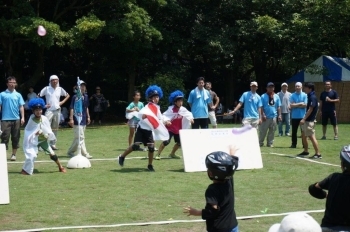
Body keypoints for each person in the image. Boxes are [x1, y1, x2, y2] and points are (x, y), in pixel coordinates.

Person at [183, 149, 239, 232]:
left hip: (218, 228)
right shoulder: (229, 180)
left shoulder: (212, 190)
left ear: (211, 173)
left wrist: (196, 212)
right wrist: (232, 157)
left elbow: (213, 210)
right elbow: (232, 167)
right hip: (232, 226)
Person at [118, 85, 169, 172]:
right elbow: (141, 114)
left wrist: (166, 121)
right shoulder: (147, 107)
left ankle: (150, 165)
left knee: (151, 147)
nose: (157, 99)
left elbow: (160, 118)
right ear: (150, 98)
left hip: (149, 130)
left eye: (157, 97)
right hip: (141, 129)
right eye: (155, 97)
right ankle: (122, 156)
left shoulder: (157, 108)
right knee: (135, 146)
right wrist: (144, 116)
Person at [308, 145, 350, 232]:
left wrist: (325, 195)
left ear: (342, 164)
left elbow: (313, 189)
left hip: (329, 227)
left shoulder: (334, 178)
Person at [21, 98, 66, 175]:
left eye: (40, 110)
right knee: (32, 156)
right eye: (36, 110)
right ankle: (25, 170)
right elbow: (29, 131)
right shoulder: (31, 119)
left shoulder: (44, 118)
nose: (39, 112)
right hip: (33, 142)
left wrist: (47, 134)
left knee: (53, 155)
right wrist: (36, 133)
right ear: (33, 111)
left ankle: (60, 167)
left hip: (43, 140)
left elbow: (47, 129)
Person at [155, 90, 194, 160]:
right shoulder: (171, 110)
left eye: (181, 101)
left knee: (180, 143)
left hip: (178, 130)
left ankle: (172, 154)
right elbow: (164, 115)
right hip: (170, 129)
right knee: (166, 141)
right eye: (179, 101)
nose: (180, 103)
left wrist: (191, 119)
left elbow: (189, 114)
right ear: (175, 102)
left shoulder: (183, 109)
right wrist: (166, 121)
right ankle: (158, 154)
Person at [39, 75, 70, 150]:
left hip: (57, 110)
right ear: (50, 81)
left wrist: (62, 102)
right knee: (45, 127)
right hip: (49, 111)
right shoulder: (46, 88)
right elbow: (38, 96)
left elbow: (67, 95)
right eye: (53, 80)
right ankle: (43, 144)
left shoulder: (60, 89)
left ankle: (53, 144)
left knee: (55, 128)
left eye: (56, 80)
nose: (55, 81)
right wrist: (44, 105)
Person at [0, 76, 25, 161]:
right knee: (4, 137)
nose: (13, 84)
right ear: (7, 83)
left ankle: (13, 155)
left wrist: (23, 117)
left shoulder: (18, 95)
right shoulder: (2, 94)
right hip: (5, 119)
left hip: (16, 119)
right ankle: (3, 155)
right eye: (11, 82)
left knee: (16, 137)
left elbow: (21, 106)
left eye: (14, 83)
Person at [67, 80, 92, 159]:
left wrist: (88, 116)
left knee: (78, 137)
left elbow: (86, 107)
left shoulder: (86, 96)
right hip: (77, 119)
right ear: (78, 87)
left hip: (83, 118)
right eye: (81, 86)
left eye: (84, 86)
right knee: (81, 137)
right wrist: (71, 118)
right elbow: (71, 108)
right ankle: (85, 153)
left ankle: (70, 151)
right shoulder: (75, 97)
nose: (83, 87)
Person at [298, 82, 322, 159]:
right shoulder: (310, 96)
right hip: (308, 121)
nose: (304, 89)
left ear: (310, 88)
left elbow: (310, 109)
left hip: (309, 121)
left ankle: (318, 154)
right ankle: (306, 151)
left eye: (305, 87)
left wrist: (304, 119)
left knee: (311, 137)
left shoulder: (312, 97)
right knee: (303, 136)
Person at [259, 82, 281, 147]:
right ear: (266, 88)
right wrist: (263, 114)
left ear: (274, 88)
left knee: (272, 131)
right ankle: (260, 143)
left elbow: (279, 106)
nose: (271, 88)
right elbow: (261, 106)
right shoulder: (263, 96)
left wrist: (279, 115)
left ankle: (270, 143)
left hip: (274, 116)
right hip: (265, 117)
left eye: (272, 87)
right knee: (263, 131)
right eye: (269, 87)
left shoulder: (276, 96)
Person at [289, 82, 307, 148]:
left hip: (302, 116)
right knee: (294, 132)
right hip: (294, 116)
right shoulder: (292, 95)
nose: (297, 87)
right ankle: (294, 144)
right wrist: (300, 104)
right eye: (296, 86)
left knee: (303, 132)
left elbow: (305, 105)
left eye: (298, 86)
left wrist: (296, 105)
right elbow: (291, 105)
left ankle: (304, 144)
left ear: (301, 87)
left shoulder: (305, 95)